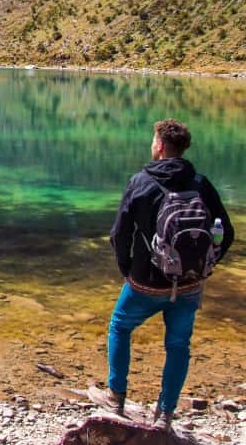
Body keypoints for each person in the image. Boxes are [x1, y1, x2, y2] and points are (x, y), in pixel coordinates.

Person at [89, 119, 235, 430]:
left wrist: (128, 270)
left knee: (120, 326)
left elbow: (119, 235)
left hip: (146, 281)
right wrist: (206, 266)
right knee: (179, 344)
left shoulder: (141, 182)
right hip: (190, 281)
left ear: (159, 147)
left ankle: (116, 397)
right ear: (184, 149)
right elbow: (227, 233)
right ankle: (165, 414)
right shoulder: (200, 183)